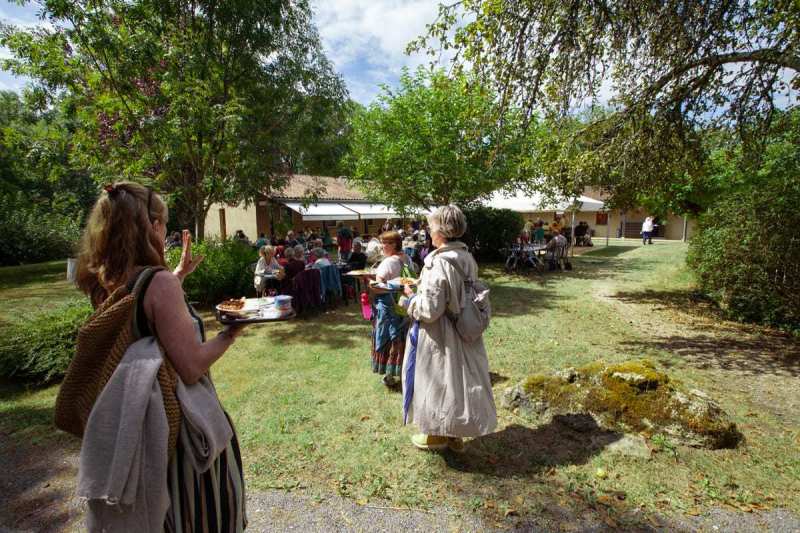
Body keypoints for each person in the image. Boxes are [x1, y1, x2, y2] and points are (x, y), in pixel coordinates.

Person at [74, 182, 246, 530]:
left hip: (134, 423)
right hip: (176, 428)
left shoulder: (103, 281)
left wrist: (177, 275)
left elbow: (140, 319)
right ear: (151, 227)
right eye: (163, 224)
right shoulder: (159, 284)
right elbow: (191, 366)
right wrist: (231, 332)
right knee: (194, 516)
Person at [401, 205, 496, 452]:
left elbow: (431, 310)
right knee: (459, 381)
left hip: (441, 334)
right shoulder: (466, 257)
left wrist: (409, 299)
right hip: (465, 328)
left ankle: (436, 435)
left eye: (431, 227)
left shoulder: (437, 262)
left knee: (439, 381)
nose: (429, 232)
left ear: (441, 231)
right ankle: (456, 434)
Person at [372, 231, 407, 387]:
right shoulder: (406, 258)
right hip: (404, 305)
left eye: (384, 243)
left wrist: (368, 281)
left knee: (387, 339)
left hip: (389, 307)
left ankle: (389, 375)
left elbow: (379, 288)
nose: (382, 246)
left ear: (393, 244)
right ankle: (403, 371)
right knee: (402, 338)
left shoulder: (388, 263)